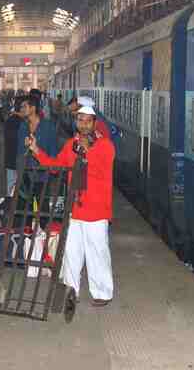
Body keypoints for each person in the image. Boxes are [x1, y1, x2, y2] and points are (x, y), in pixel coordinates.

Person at [26, 106, 115, 307]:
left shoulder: (105, 146)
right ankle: (71, 288)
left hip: (96, 210)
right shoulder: (71, 145)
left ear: (94, 123)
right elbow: (57, 166)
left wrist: (86, 151)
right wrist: (36, 150)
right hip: (75, 208)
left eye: (87, 121)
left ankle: (102, 292)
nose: (83, 125)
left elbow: (101, 171)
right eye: (80, 120)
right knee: (71, 251)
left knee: (97, 252)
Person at [4, 97, 26, 196]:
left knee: (11, 190)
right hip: (18, 161)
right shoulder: (21, 122)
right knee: (18, 191)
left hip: (10, 160)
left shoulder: (9, 120)